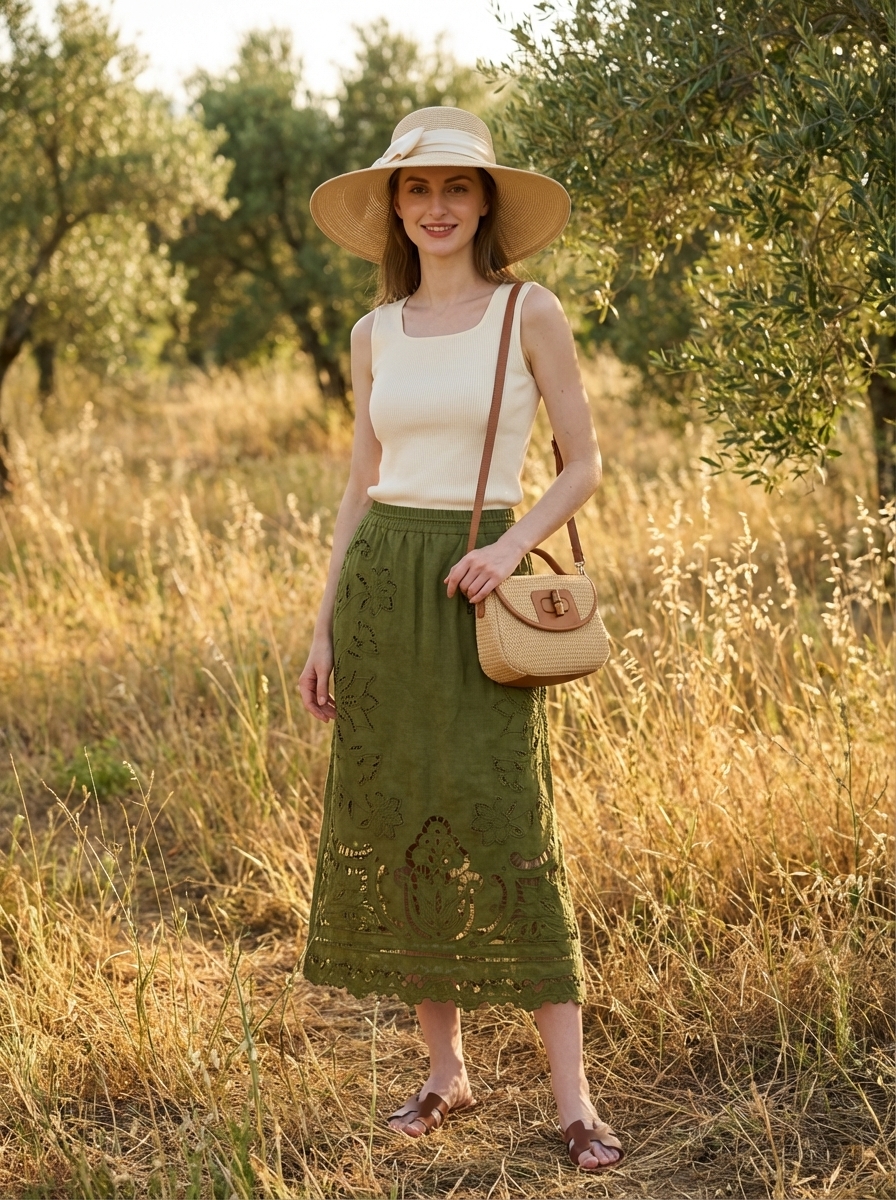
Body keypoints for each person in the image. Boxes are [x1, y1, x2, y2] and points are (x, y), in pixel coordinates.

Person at [298, 106, 623, 1173]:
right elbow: (359, 486)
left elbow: (581, 463)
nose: (433, 207)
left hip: (477, 585)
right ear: (393, 206)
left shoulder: (528, 310)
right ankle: (444, 1074)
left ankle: (573, 1103)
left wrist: (510, 545)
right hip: (385, 589)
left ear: (484, 200)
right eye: (414, 189)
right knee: (406, 831)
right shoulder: (371, 331)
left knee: (511, 827)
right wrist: (322, 627)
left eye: (453, 187)